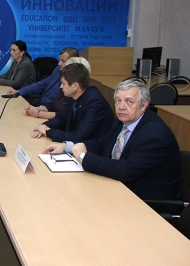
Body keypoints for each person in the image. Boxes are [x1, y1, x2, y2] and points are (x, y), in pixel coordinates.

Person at [44, 80, 181, 202]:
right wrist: (67, 146)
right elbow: (105, 143)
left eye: (129, 101)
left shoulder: (154, 136)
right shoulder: (123, 121)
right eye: (118, 100)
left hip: (146, 203)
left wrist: (83, 156)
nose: (121, 107)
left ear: (144, 105)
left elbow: (125, 170)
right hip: (118, 190)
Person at [31, 62, 115, 143]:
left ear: (75, 86)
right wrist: (44, 126)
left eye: (63, 83)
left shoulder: (95, 102)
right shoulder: (75, 96)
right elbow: (62, 118)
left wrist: (48, 131)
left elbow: (79, 136)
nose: (61, 86)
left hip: (92, 149)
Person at [6, 47, 79, 107]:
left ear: (73, 62)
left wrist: (40, 112)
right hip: (40, 104)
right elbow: (42, 84)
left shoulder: (74, 80)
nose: (59, 63)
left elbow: (61, 109)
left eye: (63, 61)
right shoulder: (58, 70)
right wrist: (20, 91)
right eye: (60, 59)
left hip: (50, 110)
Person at [24, 56, 90, 120]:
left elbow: (63, 116)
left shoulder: (82, 100)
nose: (61, 86)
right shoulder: (66, 92)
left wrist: (38, 113)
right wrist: (36, 109)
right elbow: (52, 105)